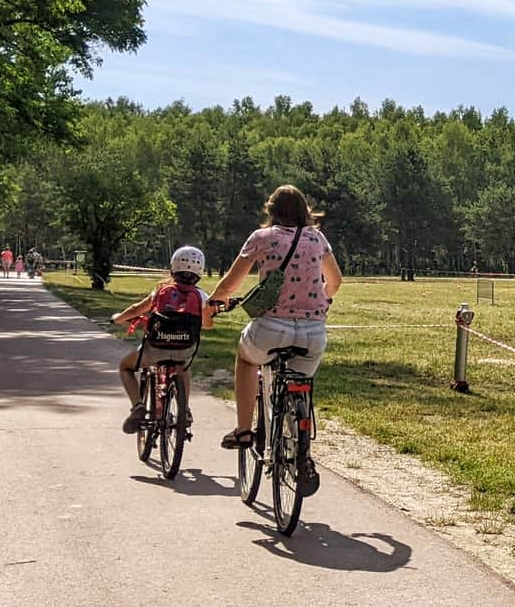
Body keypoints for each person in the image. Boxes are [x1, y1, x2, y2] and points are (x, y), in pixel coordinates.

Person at [209, 185, 342, 492]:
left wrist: (211, 304)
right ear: (306, 212)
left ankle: (244, 430)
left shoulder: (262, 238)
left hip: (270, 328)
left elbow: (231, 282)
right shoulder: (317, 239)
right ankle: (300, 447)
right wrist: (323, 300)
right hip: (312, 333)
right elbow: (335, 281)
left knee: (245, 359)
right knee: (300, 383)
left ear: (270, 211)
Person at [111, 246, 216, 433]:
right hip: (184, 348)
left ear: (173, 267)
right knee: (182, 368)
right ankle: (185, 410)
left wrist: (118, 318)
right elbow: (208, 325)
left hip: (155, 348)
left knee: (125, 367)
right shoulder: (201, 296)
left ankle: (137, 406)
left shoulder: (161, 291)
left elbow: (136, 309)